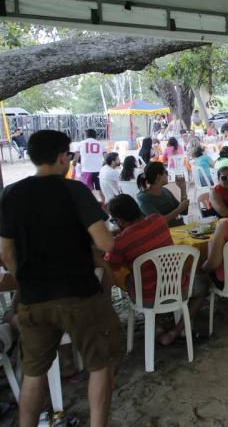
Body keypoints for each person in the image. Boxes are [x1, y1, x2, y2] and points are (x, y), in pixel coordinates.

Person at [0, 130, 121, 426]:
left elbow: (5, 252)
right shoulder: (74, 190)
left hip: (33, 299)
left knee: (34, 372)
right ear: (62, 157)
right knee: (99, 364)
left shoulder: (11, 194)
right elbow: (106, 243)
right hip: (79, 294)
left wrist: (24, 279)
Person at [106, 194, 205, 346]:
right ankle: (175, 331)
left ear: (119, 220)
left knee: (129, 280)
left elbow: (111, 266)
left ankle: (158, 330)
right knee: (202, 287)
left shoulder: (120, 242)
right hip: (177, 288)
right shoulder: (158, 220)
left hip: (147, 297)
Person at [136, 161, 189, 227]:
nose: (168, 174)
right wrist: (179, 209)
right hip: (163, 232)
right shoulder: (144, 199)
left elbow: (184, 212)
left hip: (178, 228)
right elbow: (159, 222)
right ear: (158, 177)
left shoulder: (165, 191)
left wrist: (183, 188)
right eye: (165, 172)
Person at [75, 128, 105, 192]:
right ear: (95, 135)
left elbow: (76, 158)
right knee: (100, 191)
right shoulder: (101, 144)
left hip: (86, 171)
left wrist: (74, 166)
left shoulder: (81, 143)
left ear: (86, 135)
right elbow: (106, 158)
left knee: (86, 191)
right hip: (98, 171)